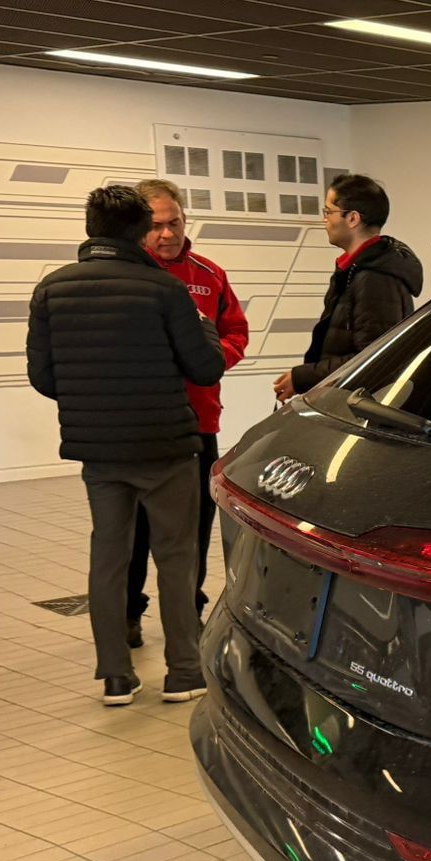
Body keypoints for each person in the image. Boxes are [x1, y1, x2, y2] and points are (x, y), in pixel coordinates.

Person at [27, 184, 223, 706]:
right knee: (177, 558)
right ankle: (183, 671)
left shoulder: (52, 290)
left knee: (108, 558)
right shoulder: (165, 290)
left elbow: (44, 378)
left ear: (91, 228)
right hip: (167, 447)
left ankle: (116, 675)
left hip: (100, 452)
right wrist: (205, 330)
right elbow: (205, 367)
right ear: (140, 230)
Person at [125, 178, 248, 648]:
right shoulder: (131, 276)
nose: (166, 234)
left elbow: (235, 330)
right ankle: (129, 614)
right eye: (156, 225)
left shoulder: (209, 274)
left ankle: (188, 612)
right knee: (134, 529)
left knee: (194, 528)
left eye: (174, 222)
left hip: (198, 422)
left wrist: (215, 362)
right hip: (141, 425)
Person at [275, 172, 422, 404]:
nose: (325, 220)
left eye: (328, 212)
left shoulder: (376, 278)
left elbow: (373, 359)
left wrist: (303, 377)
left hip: (357, 409)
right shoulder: (359, 270)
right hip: (343, 402)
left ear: (352, 218)